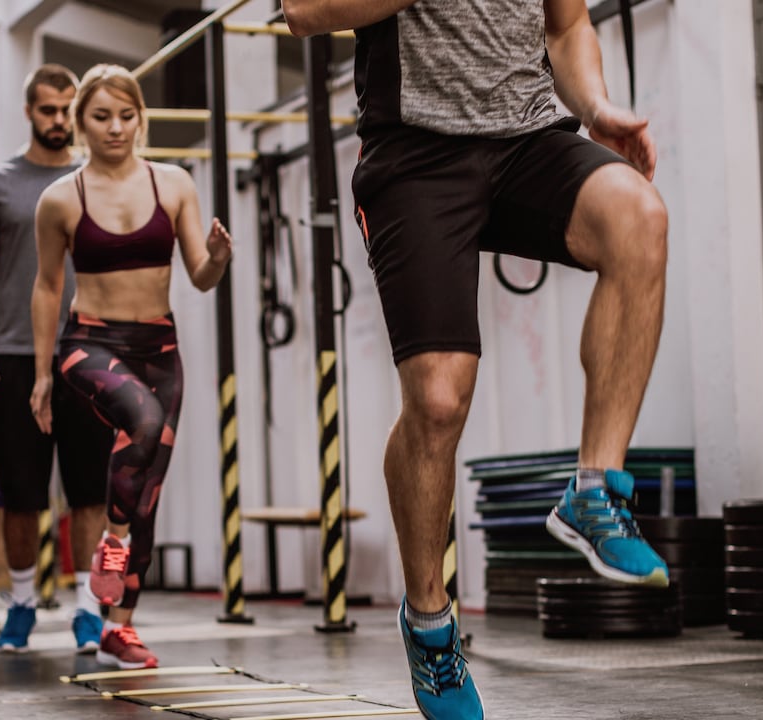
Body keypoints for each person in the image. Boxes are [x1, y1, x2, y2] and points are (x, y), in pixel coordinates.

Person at [285, 1, 670, 717]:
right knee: (437, 398)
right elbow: (303, 12)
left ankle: (596, 489)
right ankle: (430, 627)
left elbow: (566, 24)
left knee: (638, 216)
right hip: (414, 152)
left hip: (531, 137)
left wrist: (598, 107)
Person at [31, 63, 233, 670]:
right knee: (141, 422)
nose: (115, 128)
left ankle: (119, 629)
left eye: (126, 115)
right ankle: (111, 542)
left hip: (159, 348)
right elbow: (45, 286)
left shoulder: (173, 184)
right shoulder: (60, 198)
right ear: (79, 123)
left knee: (146, 494)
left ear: (140, 119)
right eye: (101, 117)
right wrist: (43, 373)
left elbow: (199, 277)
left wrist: (218, 257)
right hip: (88, 343)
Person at [0, 65, 116, 654]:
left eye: (65, 109)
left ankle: (87, 609)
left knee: (90, 495)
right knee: (20, 494)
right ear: (29, 111)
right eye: (47, 109)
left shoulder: (97, 179)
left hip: (88, 349)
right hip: (13, 353)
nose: (57, 120)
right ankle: (22, 604)